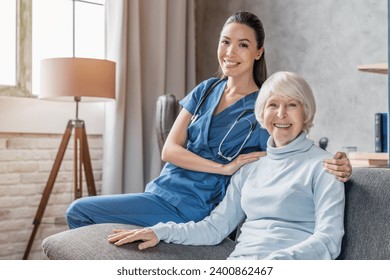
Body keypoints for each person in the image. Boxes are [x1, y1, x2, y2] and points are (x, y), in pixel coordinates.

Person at [66, 11, 351, 230]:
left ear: (258, 52)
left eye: (242, 45)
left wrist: (336, 164)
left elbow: (291, 146)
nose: (230, 52)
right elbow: (170, 150)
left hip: (195, 206)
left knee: (79, 211)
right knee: (83, 214)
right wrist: (223, 168)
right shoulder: (206, 90)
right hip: (161, 192)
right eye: (225, 42)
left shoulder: (264, 105)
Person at [108, 71, 346, 260]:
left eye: (292, 105)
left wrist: (277, 263)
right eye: (273, 105)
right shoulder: (250, 168)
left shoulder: (325, 166)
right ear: (262, 114)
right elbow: (214, 228)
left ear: (306, 113)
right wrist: (160, 231)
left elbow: (329, 240)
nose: (281, 114)